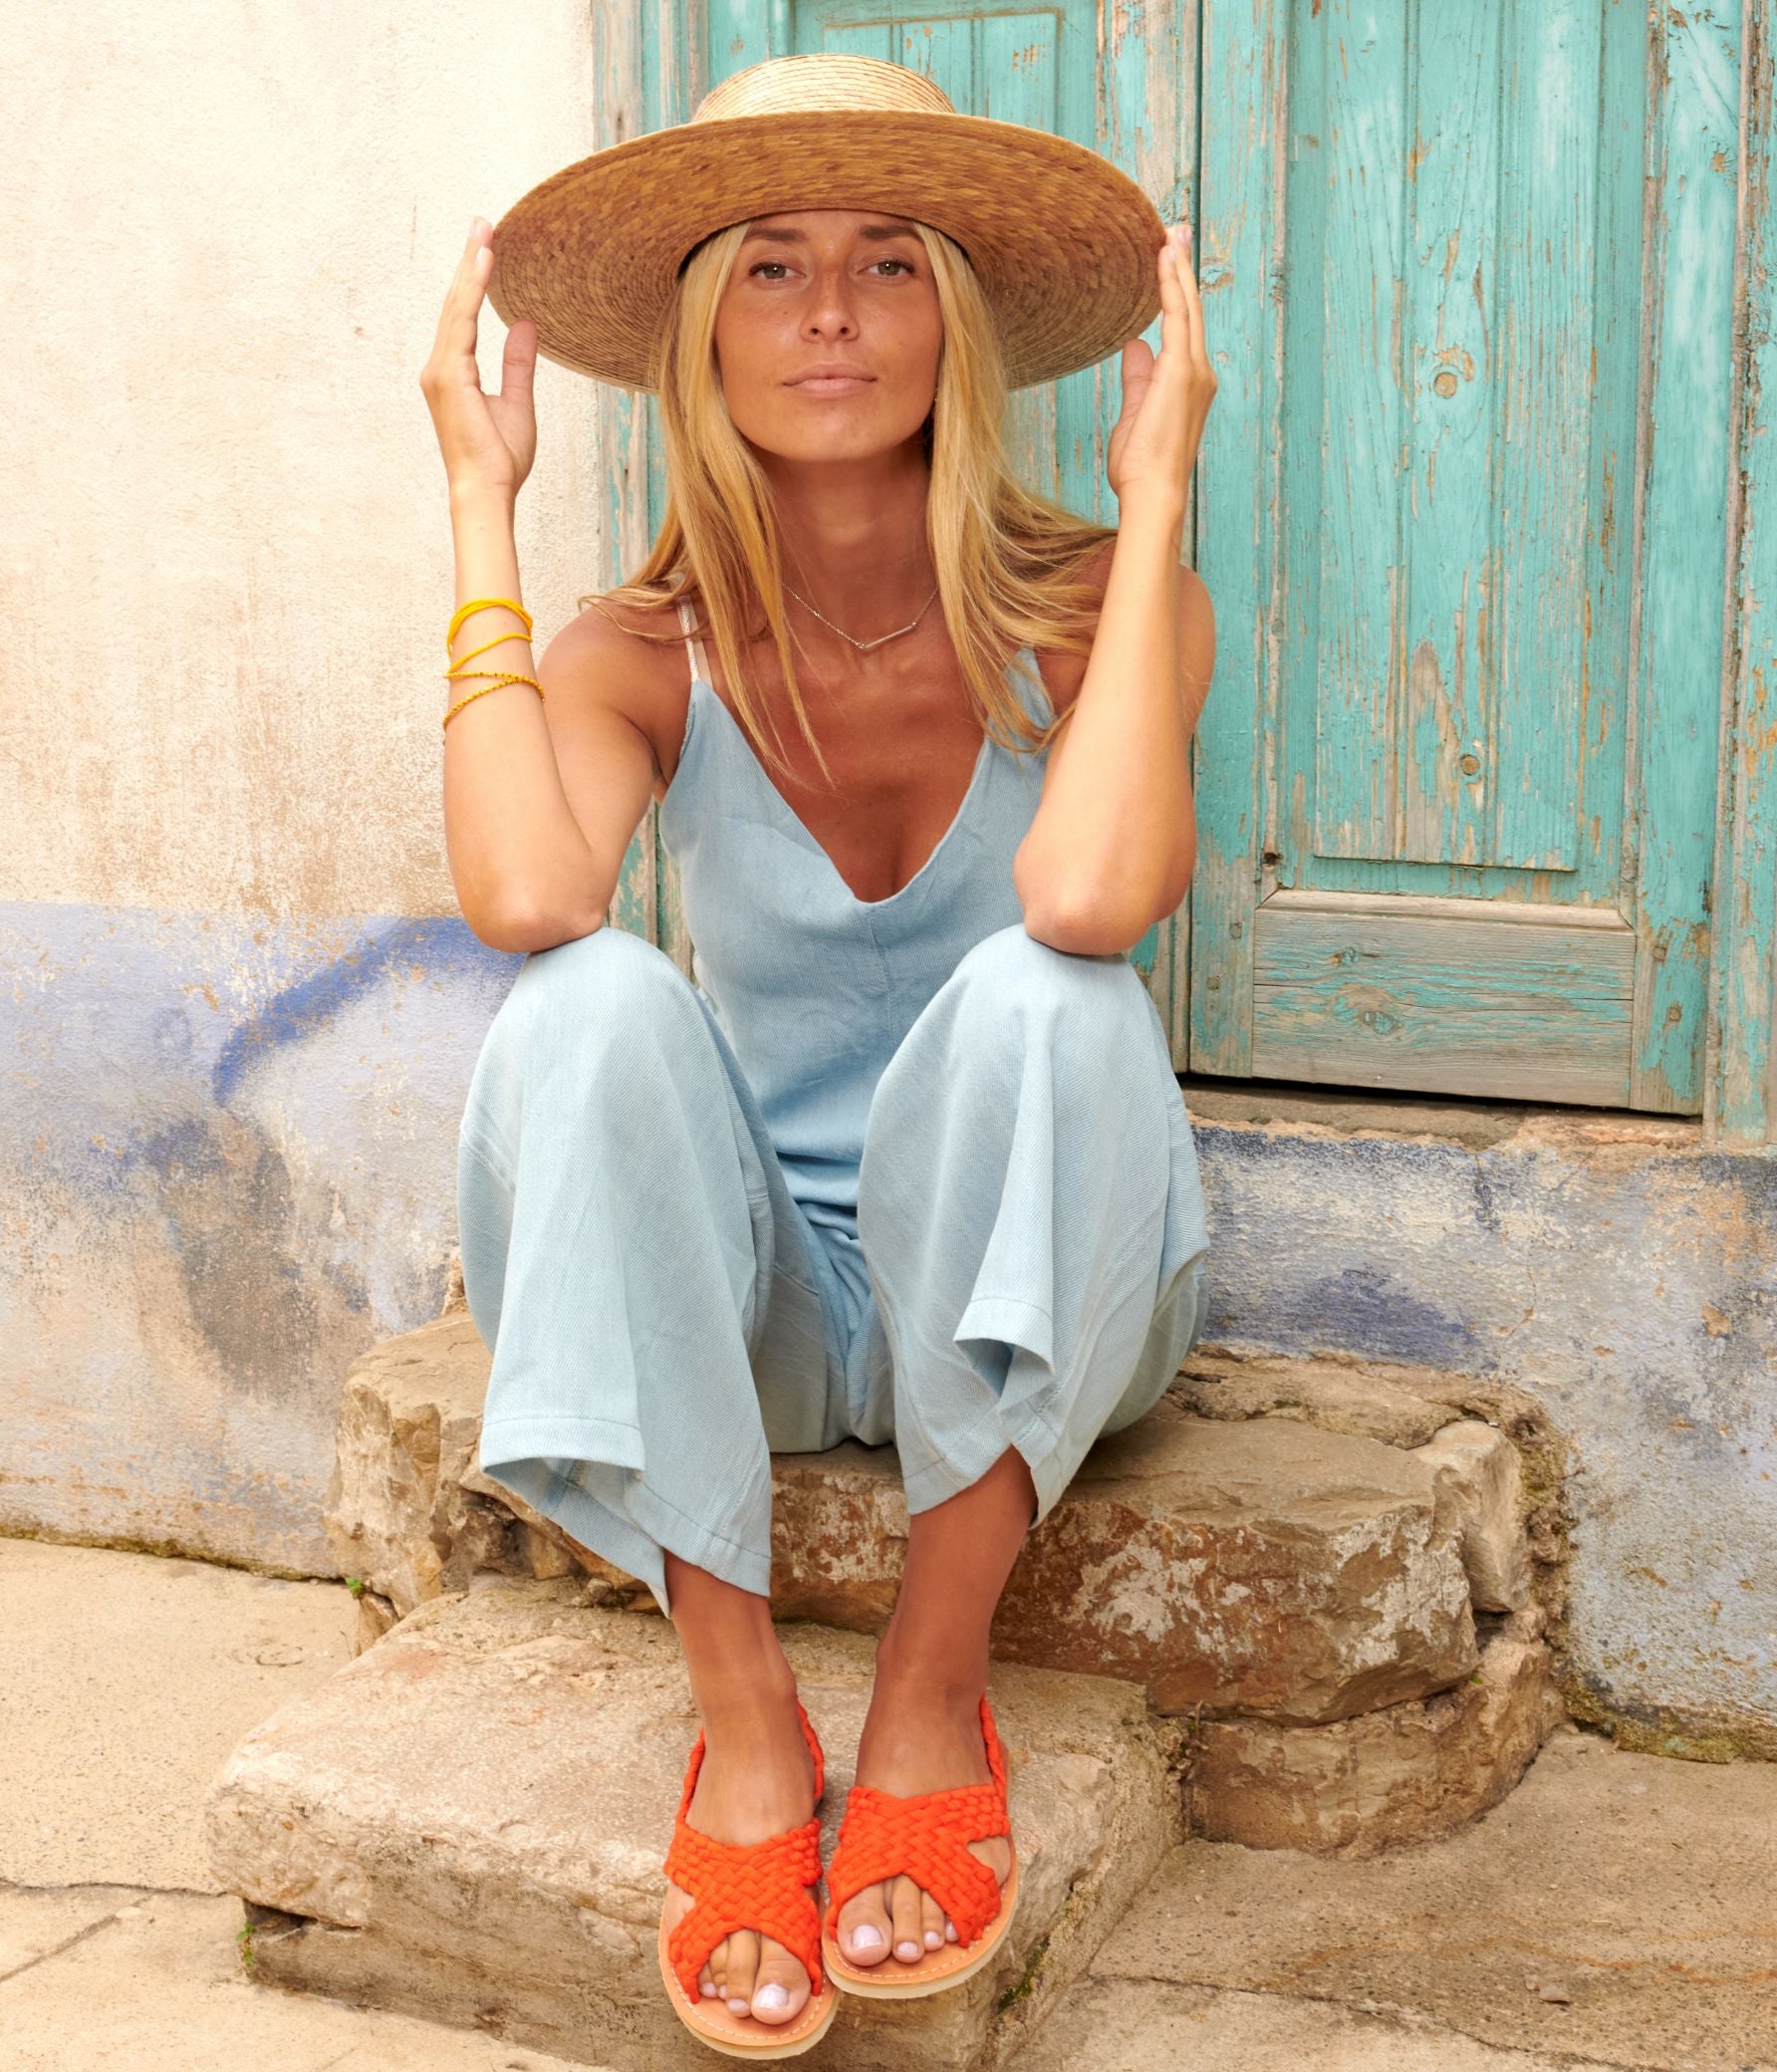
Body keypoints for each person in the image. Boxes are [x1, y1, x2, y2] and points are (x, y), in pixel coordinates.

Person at [418, 51, 1216, 2060]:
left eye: (884, 262)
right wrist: (471, 500)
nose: (834, 313)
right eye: (769, 267)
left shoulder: (1094, 611)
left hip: (1036, 1267)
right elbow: (525, 890)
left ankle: (931, 1690)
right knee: (582, 996)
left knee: (1053, 983)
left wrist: (1160, 496)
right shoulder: (636, 649)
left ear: (957, 316)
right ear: (700, 337)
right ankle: (746, 1721)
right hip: (766, 1296)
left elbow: (1102, 896)